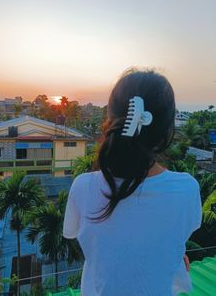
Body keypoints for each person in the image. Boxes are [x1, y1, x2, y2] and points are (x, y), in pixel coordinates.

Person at [63, 69, 202, 296]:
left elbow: (103, 248)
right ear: (168, 130)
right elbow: (159, 237)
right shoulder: (186, 189)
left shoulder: (83, 187)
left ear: (110, 120)